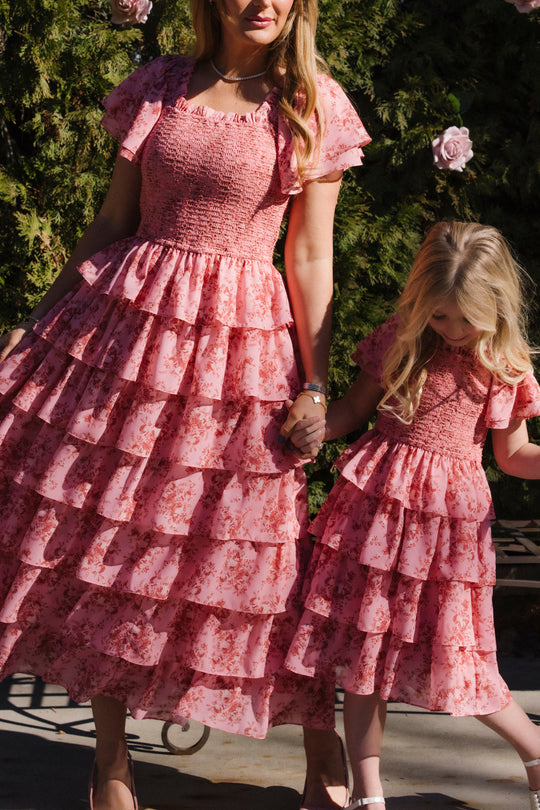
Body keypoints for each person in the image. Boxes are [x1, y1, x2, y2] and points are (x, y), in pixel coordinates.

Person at [0, 1, 371, 808]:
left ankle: (321, 755)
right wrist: (36, 321)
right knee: (103, 532)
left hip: (240, 347)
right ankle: (109, 763)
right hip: (124, 333)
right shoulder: (159, 87)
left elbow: (310, 255)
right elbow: (112, 220)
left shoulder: (313, 104)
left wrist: (316, 381)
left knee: (255, 548)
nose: (262, 3)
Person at [284, 221, 540, 810]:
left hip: (446, 531)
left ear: (496, 305)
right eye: (440, 316)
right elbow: (352, 408)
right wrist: (318, 429)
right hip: (374, 515)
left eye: (465, 318)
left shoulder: (504, 368)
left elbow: (514, 455)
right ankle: (370, 796)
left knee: (462, 658)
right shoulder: (399, 339)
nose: (451, 331)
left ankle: (534, 753)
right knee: (362, 658)